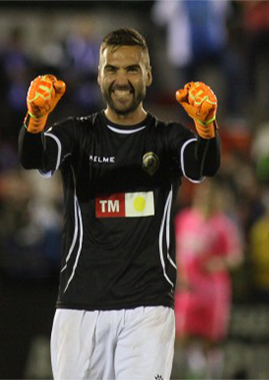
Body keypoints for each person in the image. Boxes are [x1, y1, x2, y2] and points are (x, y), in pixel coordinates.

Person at [18, 28, 221, 379]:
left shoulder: (167, 138)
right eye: (112, 69)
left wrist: (206, 127)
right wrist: (34, 122)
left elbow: (205, 164)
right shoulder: (77, 135)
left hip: (148, 309)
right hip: (79, 307)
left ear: (148, 75)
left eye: (131, 69)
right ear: (99, 75)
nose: (121, 79)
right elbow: (32, 155)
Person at [174, 178, 243, 379]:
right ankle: (190, 371)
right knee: (182, 337)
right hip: (188, 289)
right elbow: (176, 251)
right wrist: (179, 274)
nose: (206, 197)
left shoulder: (222, 225)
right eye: (203, 193)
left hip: (213, 290)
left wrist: (220, 263)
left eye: (210, 194)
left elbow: (236, 256)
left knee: (211, 341)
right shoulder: (184, 220)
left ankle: (210, 374)